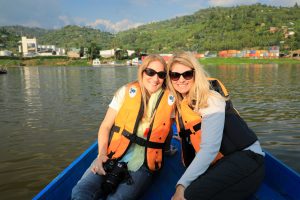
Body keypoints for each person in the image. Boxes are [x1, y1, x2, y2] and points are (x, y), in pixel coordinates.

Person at [72, 54, 175, 200]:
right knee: (81, 191)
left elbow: (167, 131)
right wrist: (101, 154)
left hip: (145, 162)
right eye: (150, 72)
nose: (155, 78)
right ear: (142, 71)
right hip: (114, 155)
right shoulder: (126, 92)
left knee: (118, 199)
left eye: (161, 74)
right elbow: (106, 126)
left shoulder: (170, 100)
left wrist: (166, 150)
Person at [167, 52, 265, 200]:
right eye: (175, 75)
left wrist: (181, 186)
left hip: (247, 159)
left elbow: (210, 149)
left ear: (196, 74)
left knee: (188, 195)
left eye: (187, 74)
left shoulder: (210, 99)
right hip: (223, 162)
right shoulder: (183, 101)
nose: (181, 79)